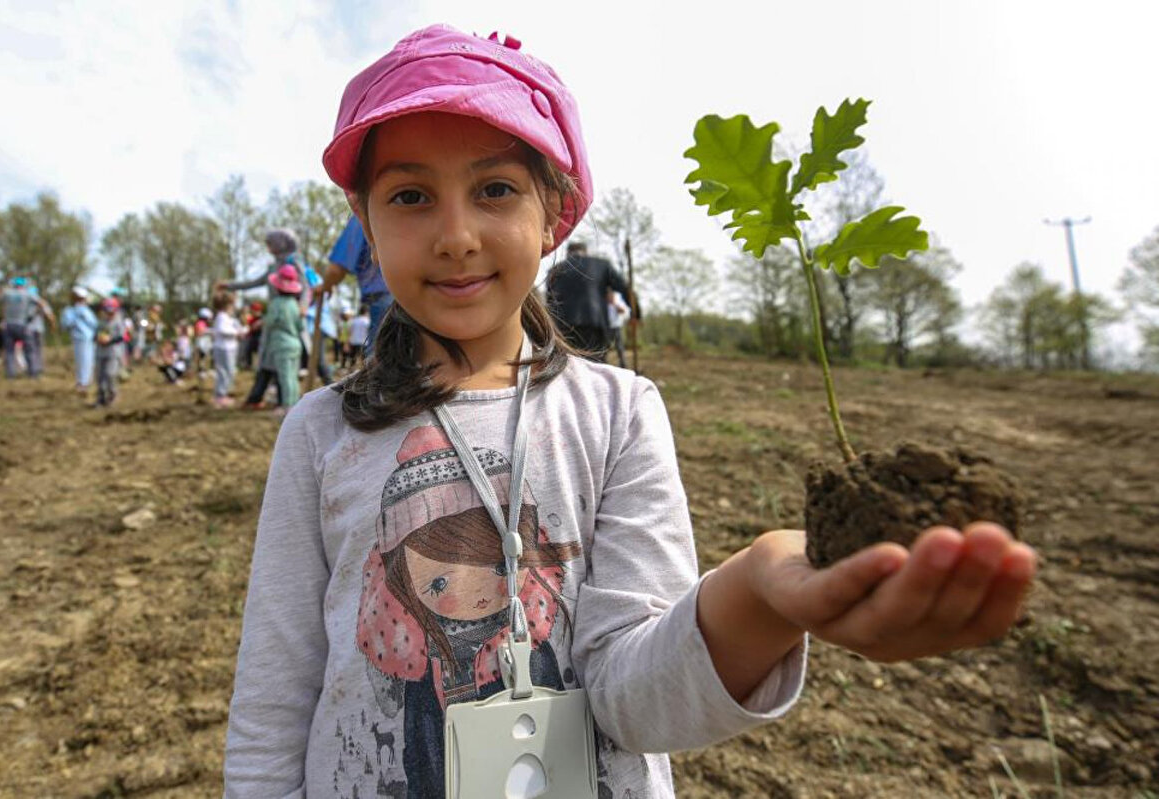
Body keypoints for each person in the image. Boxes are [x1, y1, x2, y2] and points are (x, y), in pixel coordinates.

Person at [223, 25, 1036, 799]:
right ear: (364, 224)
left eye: (496, 189)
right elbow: (275, 695)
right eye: (409, 196)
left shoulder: (618, 413)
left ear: (554, 217)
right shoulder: (322, 431)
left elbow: (631, 695)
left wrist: (758, 593)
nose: (457, 234)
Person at [545, 240, 638, 361]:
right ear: (585, 252)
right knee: (596, 366)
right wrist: (635, 314)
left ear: (568, 253)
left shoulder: (555, 269)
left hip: (563, 328)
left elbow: (549, 302)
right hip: (595, 325)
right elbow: (624, 288)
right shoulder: (602, 265)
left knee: (568, 367)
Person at [317, 216, 393, 358]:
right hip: (417, 297)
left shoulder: (363, 215)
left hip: (385, 299)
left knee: (380, 362)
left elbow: (336, 270)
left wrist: (325, 286)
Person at [241, 264, 304, 415]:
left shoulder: (276, 303)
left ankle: (287, 406)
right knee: (293, 376)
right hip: (295, 342)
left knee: (285, 376)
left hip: (281, 344)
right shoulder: (295, 305)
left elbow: (269, 322)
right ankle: (295, 403)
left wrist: (260, 322)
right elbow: (300, 326)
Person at [0, 277, 49, 378]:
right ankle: (33, 373)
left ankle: (10, 374)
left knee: (9, 351)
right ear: (24, 285)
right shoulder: (28, 294)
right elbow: (42, 303)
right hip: (24, 325)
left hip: (9, 325)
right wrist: (33, 316)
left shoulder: (7, 293)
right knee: (29, 350)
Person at [60, 286, 98, 391]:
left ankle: (84, 382)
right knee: (85, 360)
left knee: (85, 360)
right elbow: (94, 324)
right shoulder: (76, 311)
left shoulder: (74, 311)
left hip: (84, 338)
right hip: (83, 338)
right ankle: (83, 382)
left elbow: (65, 325)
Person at [211, 293, 244, 408]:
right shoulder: (221, 316)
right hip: (223, 348)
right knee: (224, 372)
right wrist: (237, 333)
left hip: (229, 348)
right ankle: (220, 396)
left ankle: (223, 394)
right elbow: (222, 330)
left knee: (229, 371)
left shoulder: (228, 317)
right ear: (227, 305)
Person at [93, 297, 126, 407]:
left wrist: (110, 340)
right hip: (100, 353)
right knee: (100, 377)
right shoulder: (101, 322)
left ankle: (113, 395)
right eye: (107, 311)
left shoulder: (118, 322)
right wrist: (98, 339)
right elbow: (95, 335)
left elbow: (122, 337)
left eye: (111, 311)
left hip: (113, 353)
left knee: (110, 374)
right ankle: (101, 398)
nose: (109, 313)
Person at [606, 290, 630, 369]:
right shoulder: (602, 296)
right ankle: (603, 364)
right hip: (606, 327)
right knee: (605, 347)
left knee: (619, 347)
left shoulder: (618, 297)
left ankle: (623, 365)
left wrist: (615, 304)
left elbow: (623, 311)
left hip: (616, 326)